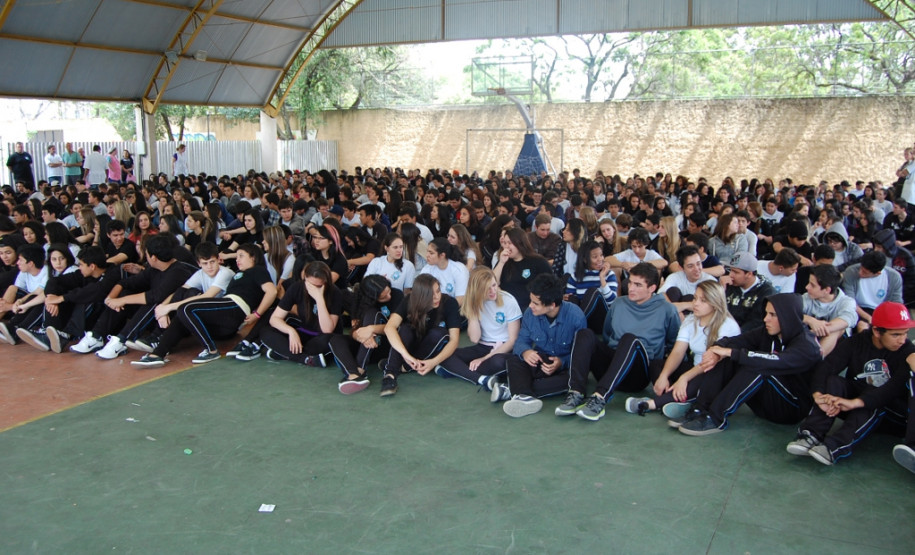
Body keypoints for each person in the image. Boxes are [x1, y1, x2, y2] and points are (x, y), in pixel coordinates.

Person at [787, 302, 915, 466]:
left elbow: (891, 390)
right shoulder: (857, 342)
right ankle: (810, 434)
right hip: (855, 404)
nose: (902, 340)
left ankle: (834, 447)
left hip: (888, 411)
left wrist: (855, 402)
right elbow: (827, 367)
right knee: (833, 381)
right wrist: (818, 395)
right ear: (876, 331)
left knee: (872, 403)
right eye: (896, 335)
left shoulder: (907, 351)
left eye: (905, 333)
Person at [676, 293, 822, 436]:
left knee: (756, 365)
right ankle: (701, 408)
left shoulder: (807, 346)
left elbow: (777, 361)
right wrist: (716, 351)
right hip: (764, 404)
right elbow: (735, 340)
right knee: (726, 356)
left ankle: (715, 418)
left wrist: (731, 352)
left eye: (773, 315)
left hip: (791, 408)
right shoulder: (767, 332)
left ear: (788, 317)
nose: (766, 319)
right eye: (766, 314)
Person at [557, 263, 680, 421]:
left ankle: (600, 398)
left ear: (652, 288)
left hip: (638, 374)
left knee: (629, 339)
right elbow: (607, 335)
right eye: (630, 283)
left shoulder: (667, 309)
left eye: (638, 285)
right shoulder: (619, 303)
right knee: (585, 333)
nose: (631, 288)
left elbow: (673, 343)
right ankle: (575, 392)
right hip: (610, 368)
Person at [132, 244, 276, 367]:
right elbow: (183, 289)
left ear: (253, 257)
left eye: (241, 256)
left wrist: (257, 314)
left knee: (187, 308)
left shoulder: (257, 270)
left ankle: (211, 351)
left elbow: (271, 291)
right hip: (225, 321)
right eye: (236, 256)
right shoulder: (239, 273)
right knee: (182, 318)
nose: (237, 259)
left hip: (235, 306)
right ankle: (158, 354)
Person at [624, 280, 741, 418]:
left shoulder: (728, 326)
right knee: (657, 365)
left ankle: (651, 404)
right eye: (695, 298)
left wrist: (684, 378)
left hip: (714, 374)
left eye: (703, 301)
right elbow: (678, 352)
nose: (695, 303)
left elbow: (709, 363)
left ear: (715, 303)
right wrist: (663, 376)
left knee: (706, 373)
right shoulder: (691, 320)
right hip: (694, 368)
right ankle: (681, 400)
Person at [69, 235, 197, 359]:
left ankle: (121, 340)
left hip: (170, 319)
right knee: (125, 292)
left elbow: (155, 296)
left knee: (152, 302)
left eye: (146, 253)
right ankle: (97, 336)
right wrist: (111, 299)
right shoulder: (154, 269)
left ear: (153, 257)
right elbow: (127, 282)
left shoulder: (178, 272)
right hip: (155, 315)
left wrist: (121, 301)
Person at [493, 272, 586, 417]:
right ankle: (523, 395)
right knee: (514, 359)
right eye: (531, 301)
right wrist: (526, 352)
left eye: (535, 303)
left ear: (552, 305)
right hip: (541, 361)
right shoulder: (530, 314)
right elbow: (521, 342)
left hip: (564, 367)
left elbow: (582, 356)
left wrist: (561, 362)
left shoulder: (576, 317)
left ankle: (514, 390)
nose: (530, 306)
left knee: (571, 381)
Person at [438, 267, 521, 388]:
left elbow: (513, 341)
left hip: (504, 348)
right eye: (487, 289)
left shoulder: (508, 301)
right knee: (446, 354)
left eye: (494, 285)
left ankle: (458, 370)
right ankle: (481, 378)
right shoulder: (474, 302)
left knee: (498, 362)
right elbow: (475, 339)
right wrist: (474, 310)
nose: (493, 291)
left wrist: (483, 359)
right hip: (483, 345)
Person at [380, 274, 461, 397]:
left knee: (439, 333)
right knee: (405, 329)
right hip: (411, 346)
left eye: (438, 291)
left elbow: (454, 340)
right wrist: (405, 355)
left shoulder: (450, 303)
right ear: (421, 297)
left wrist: (434, 362)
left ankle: (404, 367)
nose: (436, 297)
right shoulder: (409, 300)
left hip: (432, 349)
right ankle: (390, 375)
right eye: (431, 295)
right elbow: (389, 327)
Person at [327, 275, 404, 394]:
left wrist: (371, 329)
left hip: (386, 344)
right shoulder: (360, 303)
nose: (388, 297)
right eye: (383, 297)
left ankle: (361, 369)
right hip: (367, 345)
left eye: (388, 292)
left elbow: (398, 327)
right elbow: (354, 330)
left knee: (373, 314)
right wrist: (359, 336)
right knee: (335, 340)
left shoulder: (397, 295)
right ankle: (353, 374)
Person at [842, 251, 904, 332]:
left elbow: (896, 303)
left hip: (882, 311)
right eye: (861, 268)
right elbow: (850, 300)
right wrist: (868, 318)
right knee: (862, 327)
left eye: (864, 272)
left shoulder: (894, 277)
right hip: (857, 309)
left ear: (878, 273)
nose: (860, 272)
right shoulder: (851, 271)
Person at [493, 227, 552, 312]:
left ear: (520, 243)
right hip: (507, 308)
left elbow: (550, 285)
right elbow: (493, 282)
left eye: (510, 243)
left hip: (530, 309)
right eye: (505, 243)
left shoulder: (538, 261)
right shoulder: (503, 262)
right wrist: (501, 262)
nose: (506, 246)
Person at [564, 239, 618, 331]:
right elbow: (571, 302)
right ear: (585, 259)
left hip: (602, 319)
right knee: (571, 298)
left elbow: (612, 301)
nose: (600, 259)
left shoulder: (609, 275)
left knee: (593, 292)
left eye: (601, 255)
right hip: (586, 319)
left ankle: (574, 325)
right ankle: (576, 324)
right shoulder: (575, 277)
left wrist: (602, 278)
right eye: (595, 257)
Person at [658, 245, 717, 317]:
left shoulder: (710, 281)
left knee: (689, 297)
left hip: (700, 319)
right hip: (676, 318)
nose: (696, 269)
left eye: (698, 264)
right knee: (672, 292)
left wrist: (678, 308)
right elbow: (660, 296)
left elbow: (714, 308)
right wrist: (684, 308)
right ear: (681, 268)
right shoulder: (675, 277)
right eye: (690, 266)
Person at [418, 237, 469, 304]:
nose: (427, 255)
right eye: (427, 251)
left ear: (442, 255)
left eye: (431, 253)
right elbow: (420, 294)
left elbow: (460, 300)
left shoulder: (459, 270)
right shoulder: (426, 269)